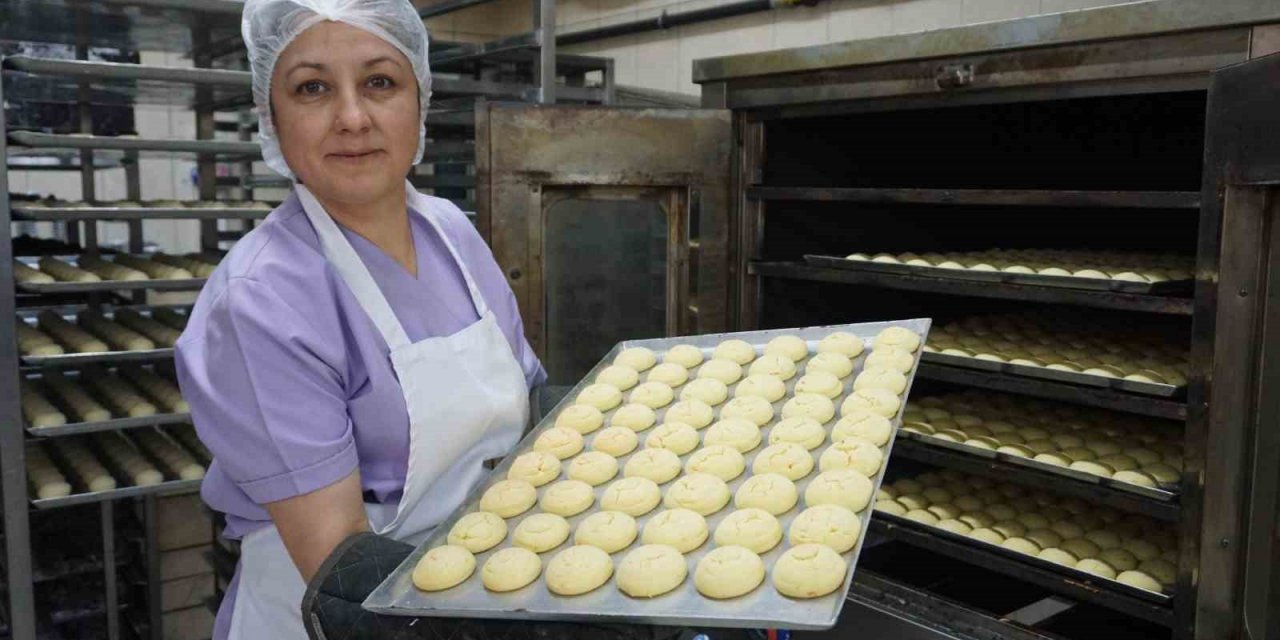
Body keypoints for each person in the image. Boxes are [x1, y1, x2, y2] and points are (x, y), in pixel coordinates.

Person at [175, 2, 548, 637]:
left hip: (481, 584)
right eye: (312, 88)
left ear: (419, 102)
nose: (352, 118)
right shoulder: (260, 301)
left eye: (380, 81)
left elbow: (529, 401)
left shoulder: (451, 232)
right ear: (271, 117)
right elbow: (341, 566)